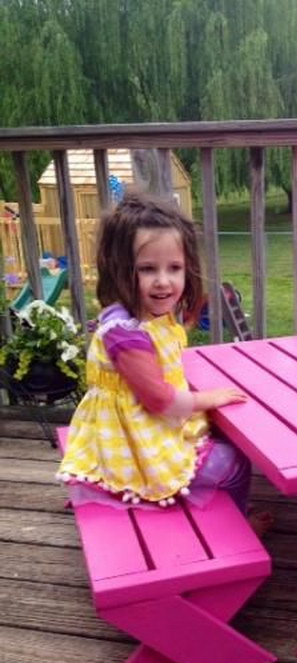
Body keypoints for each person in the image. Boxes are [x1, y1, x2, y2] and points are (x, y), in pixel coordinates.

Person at [58, 193, 268, 530]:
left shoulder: (145, 315)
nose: (163, 281)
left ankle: (214, 510)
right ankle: (234, 527)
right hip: (134, 443)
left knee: (222, 436)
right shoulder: (126, 333)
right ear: (120, 269)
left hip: (140, 424)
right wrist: (207, 399)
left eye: (174, 268)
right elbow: (159, 400)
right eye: (147, 269)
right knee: (235, 463)